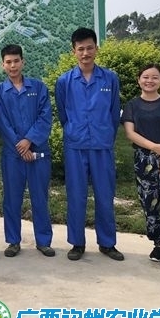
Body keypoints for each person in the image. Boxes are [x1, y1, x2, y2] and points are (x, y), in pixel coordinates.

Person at [54, 27, 124, 261]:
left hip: (102, 145)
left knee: (105, 195)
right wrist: (73, 130)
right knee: (76, 195)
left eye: (89, 48)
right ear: (73, 51)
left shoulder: (110, 78)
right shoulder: (64, 81)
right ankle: (77, 243)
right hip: (75, 145)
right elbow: (63, 114)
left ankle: (107, 243)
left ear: (96, 49)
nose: (85, 53)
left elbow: (114, 112)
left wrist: (106, 134)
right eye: (81, 49)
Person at [0, 44, 55, 258]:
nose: (13, 65)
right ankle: (13, 241)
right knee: (12, 199)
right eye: (8, 62)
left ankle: (44, 241)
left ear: (23, 62)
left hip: (38, 152)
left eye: (16, 61)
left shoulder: (38, 87)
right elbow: (2, 122)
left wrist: (29, 140)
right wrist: (20, 145)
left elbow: (45, 117)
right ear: (3, 65)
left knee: (40, 197)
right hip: (13, 154)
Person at [121, 63, 160, 268]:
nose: (150, 81)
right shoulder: (132, 105)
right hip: (144, 160)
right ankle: (157, 243)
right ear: (139, 80)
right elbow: (130, 133)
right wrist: (154, 147)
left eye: (155, 77)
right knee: (149, 202)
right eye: (146, 77)